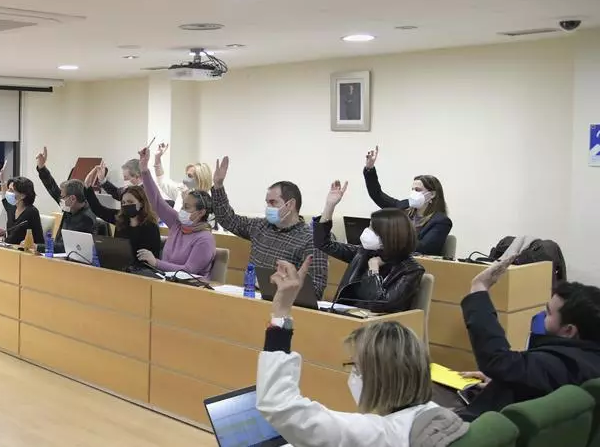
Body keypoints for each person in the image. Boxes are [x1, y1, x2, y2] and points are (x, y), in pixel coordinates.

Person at [257, 258, 468, 446]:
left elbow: (279, 405)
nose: (353, 375)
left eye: (355, 366)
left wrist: (281, 310)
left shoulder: (380, 435)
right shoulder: (435, 414)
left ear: (378, 378)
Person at [456, 261, 600, 420]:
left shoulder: (562, 364)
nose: (542, 316)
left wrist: (479, 288)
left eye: (548, 313)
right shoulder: (589, 361)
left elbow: (498, 360)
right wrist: (507, 382)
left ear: (569, 331)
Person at [211, 156, 329, 298]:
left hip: (283, 302)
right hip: (250, 296)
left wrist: (285, 281)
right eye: (267, 203)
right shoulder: (261, 226)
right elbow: (228, 219)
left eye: (273, 202)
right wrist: (218, 186)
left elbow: (316, 290)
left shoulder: (311, 239)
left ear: (290, 204)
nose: (268, 207)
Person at [317, 180, 425, 314]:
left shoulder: (410, 270)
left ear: (388, 236)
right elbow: (323, 243)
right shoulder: (364, 253)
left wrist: (374, 271)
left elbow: (381, 305)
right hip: (345, 316)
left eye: (372, 229)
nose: (367, 231)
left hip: (378, 324)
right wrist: (330, 206)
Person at [136, 147, 216, 275]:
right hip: (165, 280)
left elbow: (189, 271)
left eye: (187, 207)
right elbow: (157, 201)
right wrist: (144, 169)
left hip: (190, 285)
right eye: (183, 206)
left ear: (201, 212)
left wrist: (156, 263)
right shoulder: (177, 223)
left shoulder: (205, 239)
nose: (182, 210)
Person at [362, 146, 453, 256]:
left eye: (418, 190)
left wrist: (388, 241)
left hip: (417, 263)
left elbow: (424, 248)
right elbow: (377, 195)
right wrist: (369, 169)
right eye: (412, 189)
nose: (414, 193)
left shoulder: (441, 221)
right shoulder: (404, 207)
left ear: (432, 194)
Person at [33, 147, 106, 247]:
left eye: (62, 197)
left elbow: (67, 247)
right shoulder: (70, 207)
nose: (60, 199)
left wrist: (38, 247)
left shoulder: (86, 219)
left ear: (72, 198)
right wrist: (41, 168)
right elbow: (52, 187)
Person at [0, 161, 45, 245]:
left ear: (23, 195)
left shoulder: (31, 212)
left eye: (11, 190)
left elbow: (40, 242)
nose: (8, 192)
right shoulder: (13, 207)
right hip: (9, 248)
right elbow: (4, 196)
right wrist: (2, 180)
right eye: (8, 189)